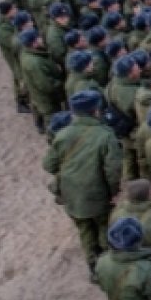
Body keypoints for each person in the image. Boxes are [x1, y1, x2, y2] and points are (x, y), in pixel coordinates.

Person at [42, 89, 123, 281]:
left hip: (70, 193)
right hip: (97, 193)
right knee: (104, 227)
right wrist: (113, 191)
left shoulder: (63, 134)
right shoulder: (105, 135)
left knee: (85, 231)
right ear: (95, 110)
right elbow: (113, 170)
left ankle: (93, 267)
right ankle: (106, 264)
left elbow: (48, 164)